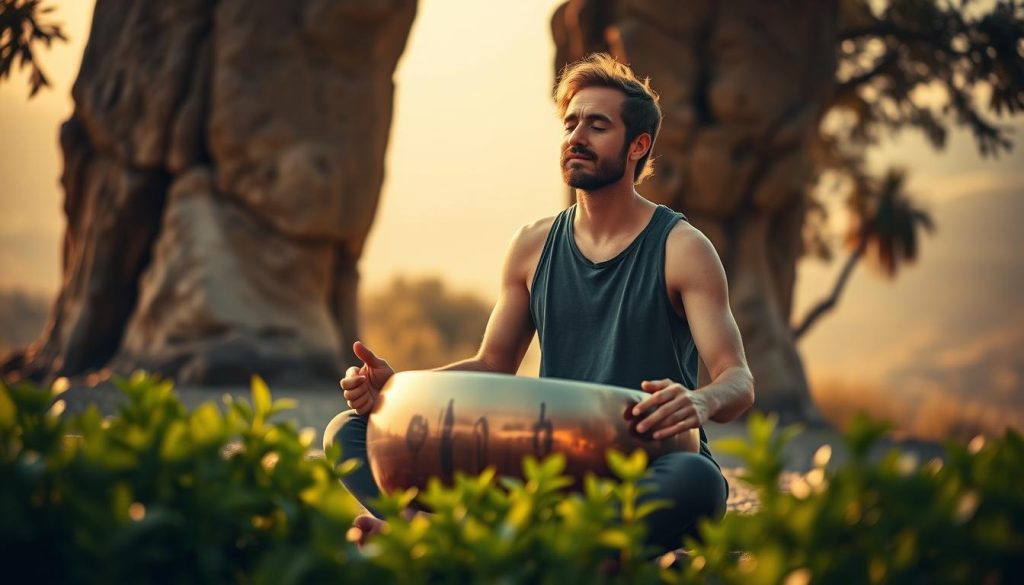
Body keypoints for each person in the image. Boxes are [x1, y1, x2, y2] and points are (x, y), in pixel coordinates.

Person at [324, 53, 755, 553]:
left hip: (648, 465)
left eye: (597, 126)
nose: (577, 137)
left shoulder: (682, 248)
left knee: (697, 480)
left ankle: (448, 538)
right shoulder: (532, 246)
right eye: (571, 124)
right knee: (350, 434)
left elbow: (738, 380)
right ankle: (532, 541)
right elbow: (492, 364)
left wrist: (699, 400)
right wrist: (395, 389)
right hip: (544, 464)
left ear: (638, 146)